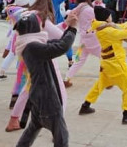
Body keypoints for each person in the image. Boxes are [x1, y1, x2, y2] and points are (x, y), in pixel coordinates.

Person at [14, 10, 79, 147]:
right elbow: (61, 47)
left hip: (39, 95)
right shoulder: (32, 46)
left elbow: (57, 42)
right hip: (46, 97)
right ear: (33, 28)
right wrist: (73, 29)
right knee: (61, 135)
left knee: (33, 128)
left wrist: (68, 26)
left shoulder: (29, 44)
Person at [79, 6, 127, 125]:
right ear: (106, 18)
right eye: (109, 15)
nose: (111, 16)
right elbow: (126, 32)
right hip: (115, 63)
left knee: (100, 85)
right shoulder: (107, 30)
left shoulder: (102, 26)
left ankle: (86, 105)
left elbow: (121, 27)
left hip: (106, 63)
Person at [63, 0, 99, 88]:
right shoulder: (89, 9)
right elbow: (99, 18)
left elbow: (69, 13)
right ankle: (109, 77)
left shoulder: (77, 9)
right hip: (93, 39)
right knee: (106, 56)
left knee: (78, 60)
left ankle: (67, 78)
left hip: (83, 40)